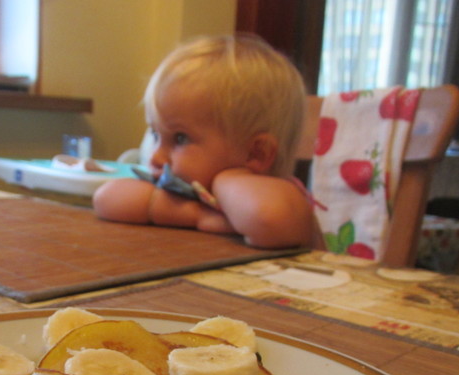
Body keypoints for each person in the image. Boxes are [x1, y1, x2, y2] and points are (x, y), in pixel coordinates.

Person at [92, 33, 318, 249]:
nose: (155, 156)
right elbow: (106, 198)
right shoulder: (186, 191)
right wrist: (197, 215)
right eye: (155, 134)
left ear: (255, 154)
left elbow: (270, 220)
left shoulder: (283, 199)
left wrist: (228, 178)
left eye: (180, 138)